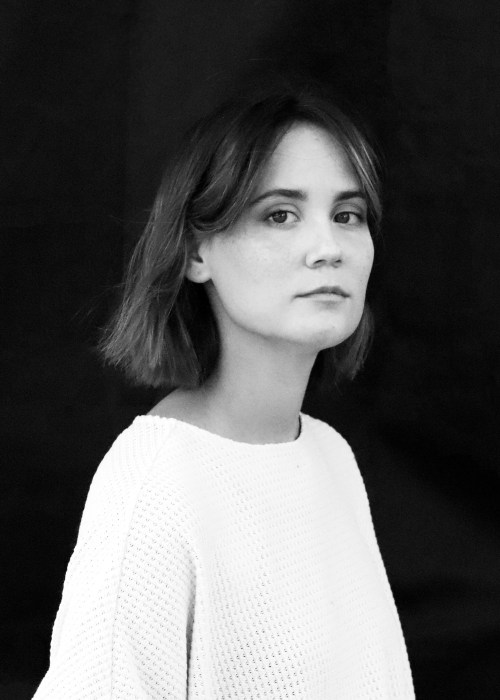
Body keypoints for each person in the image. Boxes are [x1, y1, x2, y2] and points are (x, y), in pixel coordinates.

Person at [33, 83, 415, 698]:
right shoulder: (157, 485)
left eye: (348, 215)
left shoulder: (330, 457)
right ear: (195, 252)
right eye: (280, 214)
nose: (329, 249)